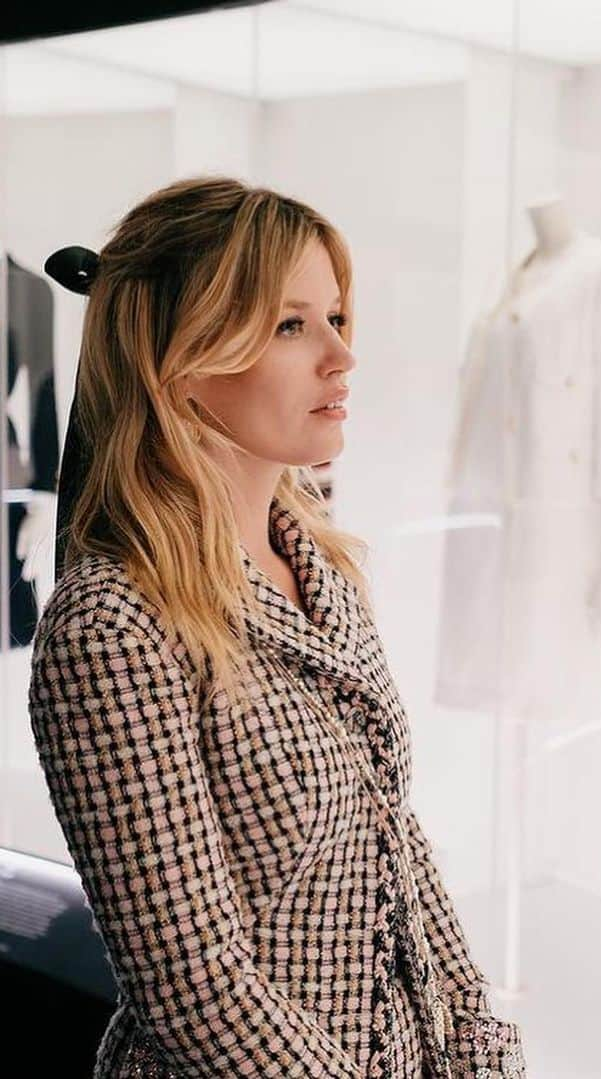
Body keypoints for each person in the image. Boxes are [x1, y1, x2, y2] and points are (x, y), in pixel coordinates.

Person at [28, 176, 526, 1079]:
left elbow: (396, 848)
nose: (342, 356)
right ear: (180, 357)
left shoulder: (325, 569)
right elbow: (195, 987)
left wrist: (485, 1050)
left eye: (337, 318)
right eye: (293, 325)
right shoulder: (113, 625)